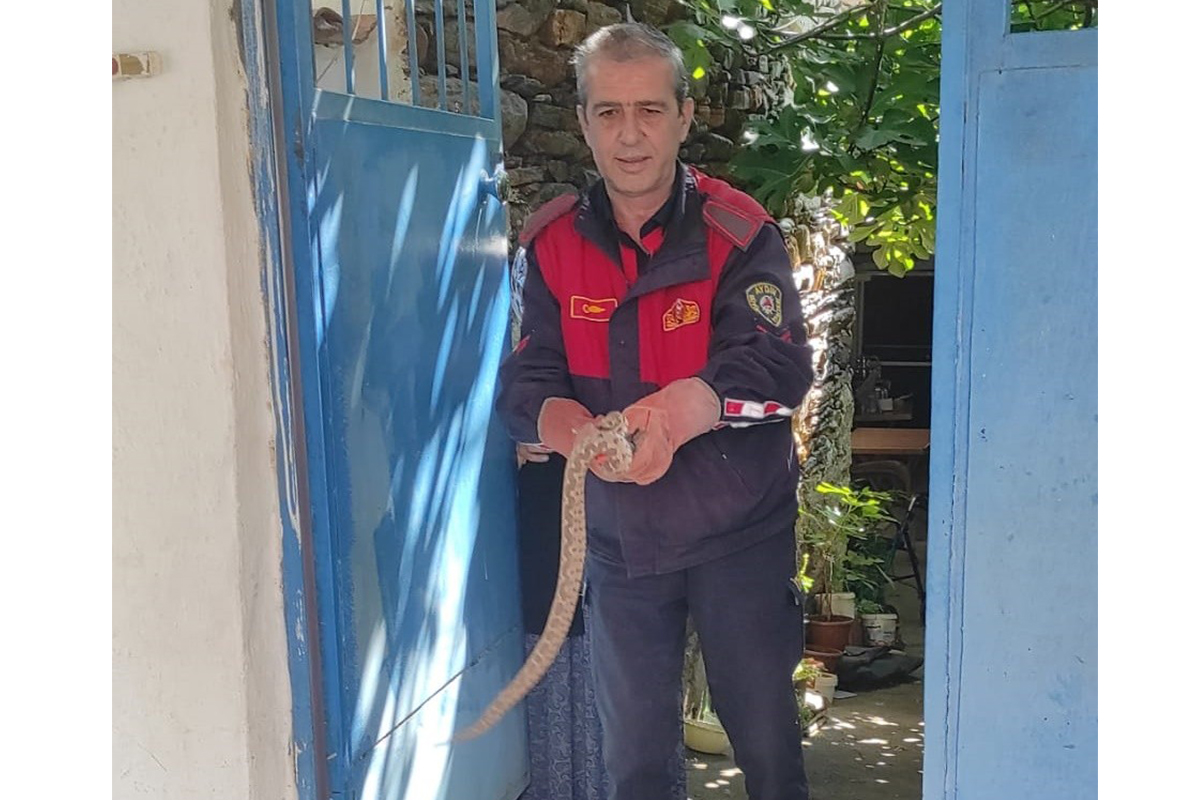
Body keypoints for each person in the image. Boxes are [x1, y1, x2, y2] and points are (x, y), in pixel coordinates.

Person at [497, 21, 814, 800]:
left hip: (738, 534)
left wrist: (676, 416)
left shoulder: (739, 232)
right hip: (623, 546)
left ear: (683, 117)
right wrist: (572, 430)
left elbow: (778, 366)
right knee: (634, 762)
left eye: (648, 110)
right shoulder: (552, 244)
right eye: (608, 112)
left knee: (767, 747)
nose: (629, 134)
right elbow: (527, 378)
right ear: (583, 122)